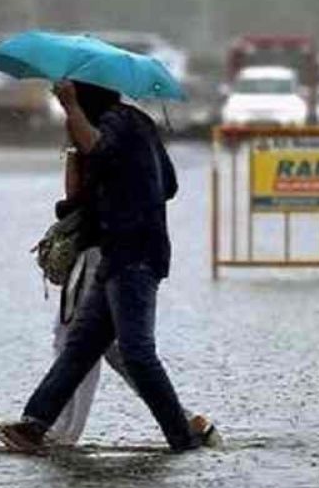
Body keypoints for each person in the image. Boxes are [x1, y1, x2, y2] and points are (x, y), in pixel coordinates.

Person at [0, 80, 216, 453]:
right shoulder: (135, 124)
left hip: (135, 254)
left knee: (136, 353)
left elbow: (101, 150)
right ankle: (33, 426)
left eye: (70, 97)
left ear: (84, 96)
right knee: (80, 347)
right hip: (117, 254)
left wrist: (72, 110)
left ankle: (182, 436)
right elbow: (165, 185)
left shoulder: (118, 124)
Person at [44, 135, 219, 447]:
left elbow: (77, 197)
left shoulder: (98, 135)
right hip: (117, 250)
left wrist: (73, 151)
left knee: (76, 339)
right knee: (112, 348)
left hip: (102, 251)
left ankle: (60, 431)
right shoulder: (126, 136)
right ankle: (186, 420)